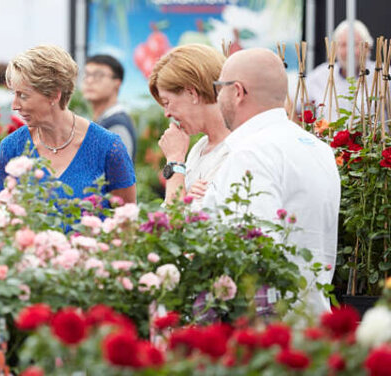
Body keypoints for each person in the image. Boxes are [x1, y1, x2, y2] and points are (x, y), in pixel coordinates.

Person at [203, 48, 341, 316]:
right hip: (310, 322)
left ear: (238, 92)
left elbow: (251, 252)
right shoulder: (318, 148)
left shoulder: (252, 152)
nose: (217, 97)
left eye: (219, 88)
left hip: (268, 331)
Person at [0, 45, 136, 204]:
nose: (15, 105)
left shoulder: (108, 147)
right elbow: (2, 219)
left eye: (23, 95)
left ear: (54, 95)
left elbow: (126, 222)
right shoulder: (11, 148)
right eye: (14, 94)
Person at [148, 44, 230, 208]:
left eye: (167, 102)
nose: (167, 114)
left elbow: (175, 223)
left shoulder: (237, 148)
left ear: (192, 93)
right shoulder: (200, 147)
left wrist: (175, 161)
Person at [307, 20, 375, 114]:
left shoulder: (383, 77)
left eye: (355, 44)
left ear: (368, 47)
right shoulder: (319, 76)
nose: (349, 51)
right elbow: (291, 105)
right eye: (343, 45)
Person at [81, 54, 137, 161]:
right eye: (87, 75)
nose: (89, 81)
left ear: (117, 83)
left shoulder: (117, 125)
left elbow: (119, 174)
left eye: (98, 75)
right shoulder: (101, 121)